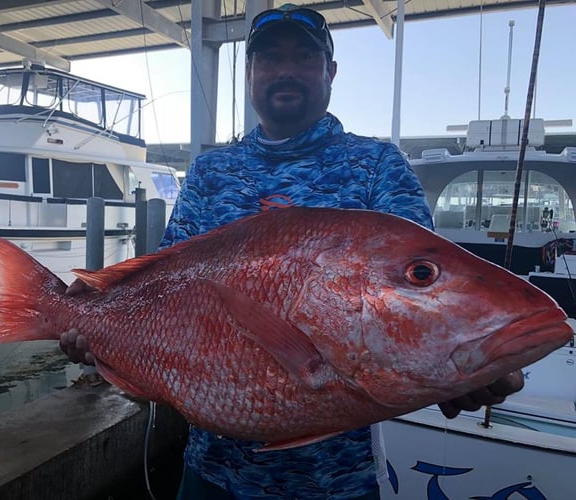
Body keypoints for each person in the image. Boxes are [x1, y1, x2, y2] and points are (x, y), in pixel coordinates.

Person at [61, 4, 524, 499]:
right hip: (212, 475)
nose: (285, 70)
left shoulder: (377, 167)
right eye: (269, 59)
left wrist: (476, 355)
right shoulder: (210, 173)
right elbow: (163, 290)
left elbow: (428, 290)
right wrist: (100, 322)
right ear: (250, 74)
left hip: (339, 483)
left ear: (330, 72)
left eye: (304, 57)